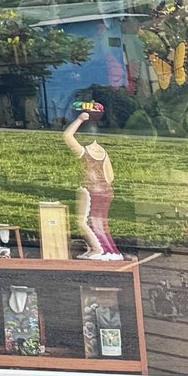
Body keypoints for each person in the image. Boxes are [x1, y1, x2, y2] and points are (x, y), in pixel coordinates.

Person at [64, 106, 122, 260]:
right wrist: (105, 187)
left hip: (90, 189)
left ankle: (96, 249)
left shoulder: (83, 151)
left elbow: (67, 136)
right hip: (106, 190)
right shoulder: (102, 151)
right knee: (102, 222)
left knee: (82, 221)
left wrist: (79, 120)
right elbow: (110, 176)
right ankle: (111, 251)